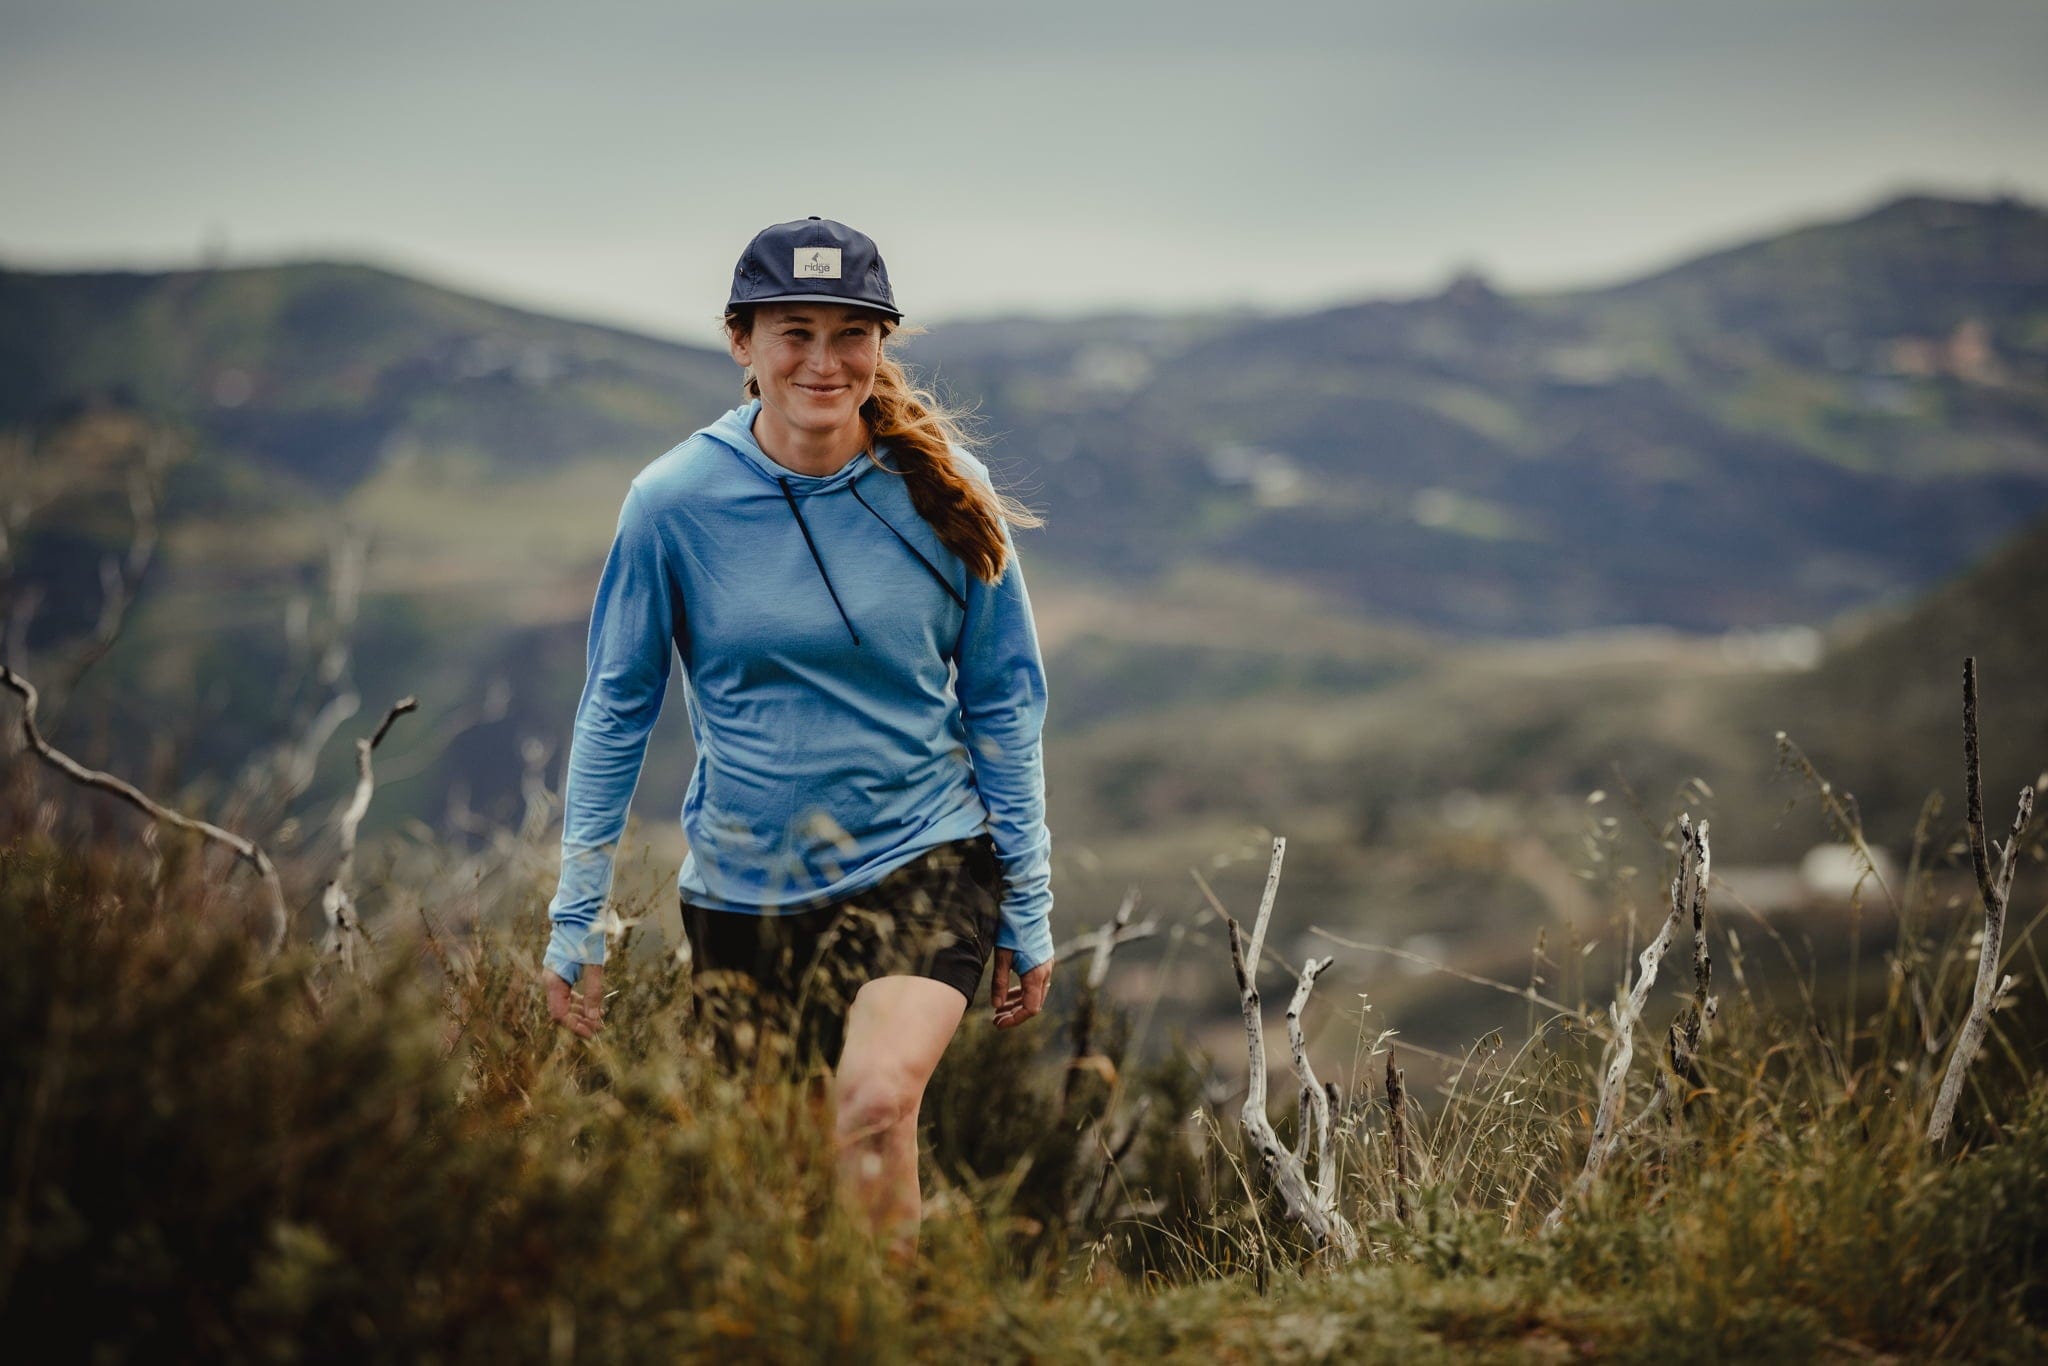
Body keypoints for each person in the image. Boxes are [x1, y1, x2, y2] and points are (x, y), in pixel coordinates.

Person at [539, 215, 1056, 1247]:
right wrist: (576, 914)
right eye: (794, 331)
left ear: (882, 342)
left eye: (849, 333)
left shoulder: (945, 490)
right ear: (742, 342)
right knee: (772, 1190)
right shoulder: (672, 503)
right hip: (743, 891)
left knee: (872, 1105)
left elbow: (1003, 697)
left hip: (922, 855)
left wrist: (1028, 898)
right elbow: (615, 708)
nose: (823, 360)